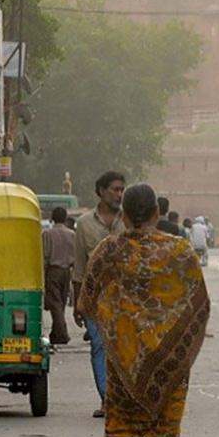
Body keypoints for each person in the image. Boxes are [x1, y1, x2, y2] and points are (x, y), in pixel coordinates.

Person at [78, 183, 210, 437]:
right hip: (168, 366)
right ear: (156, 213)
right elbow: (198, 304)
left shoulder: (108, 250)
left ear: (123, 214)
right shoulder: (180, 251)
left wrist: (116, 324)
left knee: (124, 435)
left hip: (122, 364)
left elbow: (86, 301)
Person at [74, 171, 126, 418]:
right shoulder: (84, 224)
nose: (118, 194)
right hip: (95, 299)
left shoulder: (129, 221)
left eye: (121, 190)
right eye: (114, 189)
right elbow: (79, 268)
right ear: (101, 191)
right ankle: (107, 400)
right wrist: (78, 301)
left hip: (125, 300)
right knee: (98, 346)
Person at [42, 206, 75, 345]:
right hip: (67, 271)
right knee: (60, 303)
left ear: (52, 218)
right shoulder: (72, 234)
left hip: (53, 271)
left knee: (55, 304)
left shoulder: (47, 234)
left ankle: (62, 334)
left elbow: (44, 255)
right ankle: (56, 334)